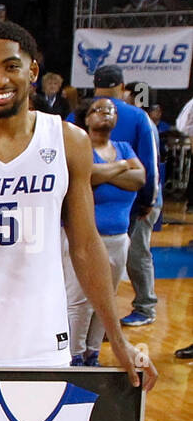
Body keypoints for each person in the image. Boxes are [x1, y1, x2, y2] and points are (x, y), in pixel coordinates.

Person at [0, 21, 155, 389]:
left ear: (32, 71)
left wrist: (117, 339)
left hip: (42, 339)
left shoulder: (68, 141)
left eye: (11, 66)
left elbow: (85, 246)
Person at [76, 65, 161, 329]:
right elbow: (149, 165)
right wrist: (147, 200)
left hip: (87, 207)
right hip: (128, 204)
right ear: (122, 86)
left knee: (80, 282)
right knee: (137, 256)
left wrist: (99, 173)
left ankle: (91, 336)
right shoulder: (138, 116)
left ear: (94, 83)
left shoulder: (74, 115)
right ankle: (144, 307)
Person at [65, 97, 144, 366]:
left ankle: (92, 353)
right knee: (80, 300)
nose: (105, 114)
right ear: (86, 118)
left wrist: (105, 172)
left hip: (119, 238)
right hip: (84, 238)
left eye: (110, 110)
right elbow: (87, 175)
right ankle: (74, 356)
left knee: (107, 301)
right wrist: (123, 167)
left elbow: (140, 179)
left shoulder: (124, 146)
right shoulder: (80, 146)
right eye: (98, 110)